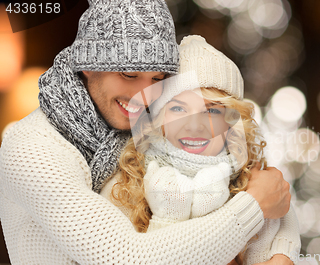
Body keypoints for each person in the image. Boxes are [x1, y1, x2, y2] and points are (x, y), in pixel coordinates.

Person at [0, 0, 291, 264]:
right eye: (128, 74)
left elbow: (268, 190)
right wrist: (253, 207)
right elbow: (127, 257)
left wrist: (282, 252)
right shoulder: (30, 148)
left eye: (157, 79)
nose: (143, 95)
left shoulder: (144, 129)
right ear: (87, 66)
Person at [100, 35, 301, 265]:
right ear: (158, 120)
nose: (194, 126)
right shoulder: (123, 189)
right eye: (178, 108)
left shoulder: (259, 185)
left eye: (212, 110)